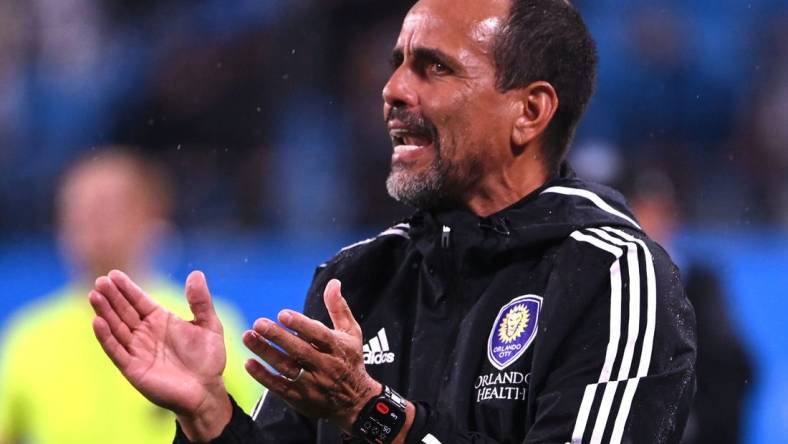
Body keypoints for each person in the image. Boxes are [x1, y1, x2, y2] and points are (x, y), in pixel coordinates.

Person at [89, 1, 697, 443]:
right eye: (398, 62)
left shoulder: (610, 276)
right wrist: (209, 415)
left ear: (530, 111)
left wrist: (370, 413)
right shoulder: (357, 280)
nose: (393, 89)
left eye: (434, 68)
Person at [0, 149, 259, 444]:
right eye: (76, 211)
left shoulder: (200, 325)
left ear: (148, 215)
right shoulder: (29, 335)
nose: (90, 224)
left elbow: (246, 428)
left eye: (105, 208)